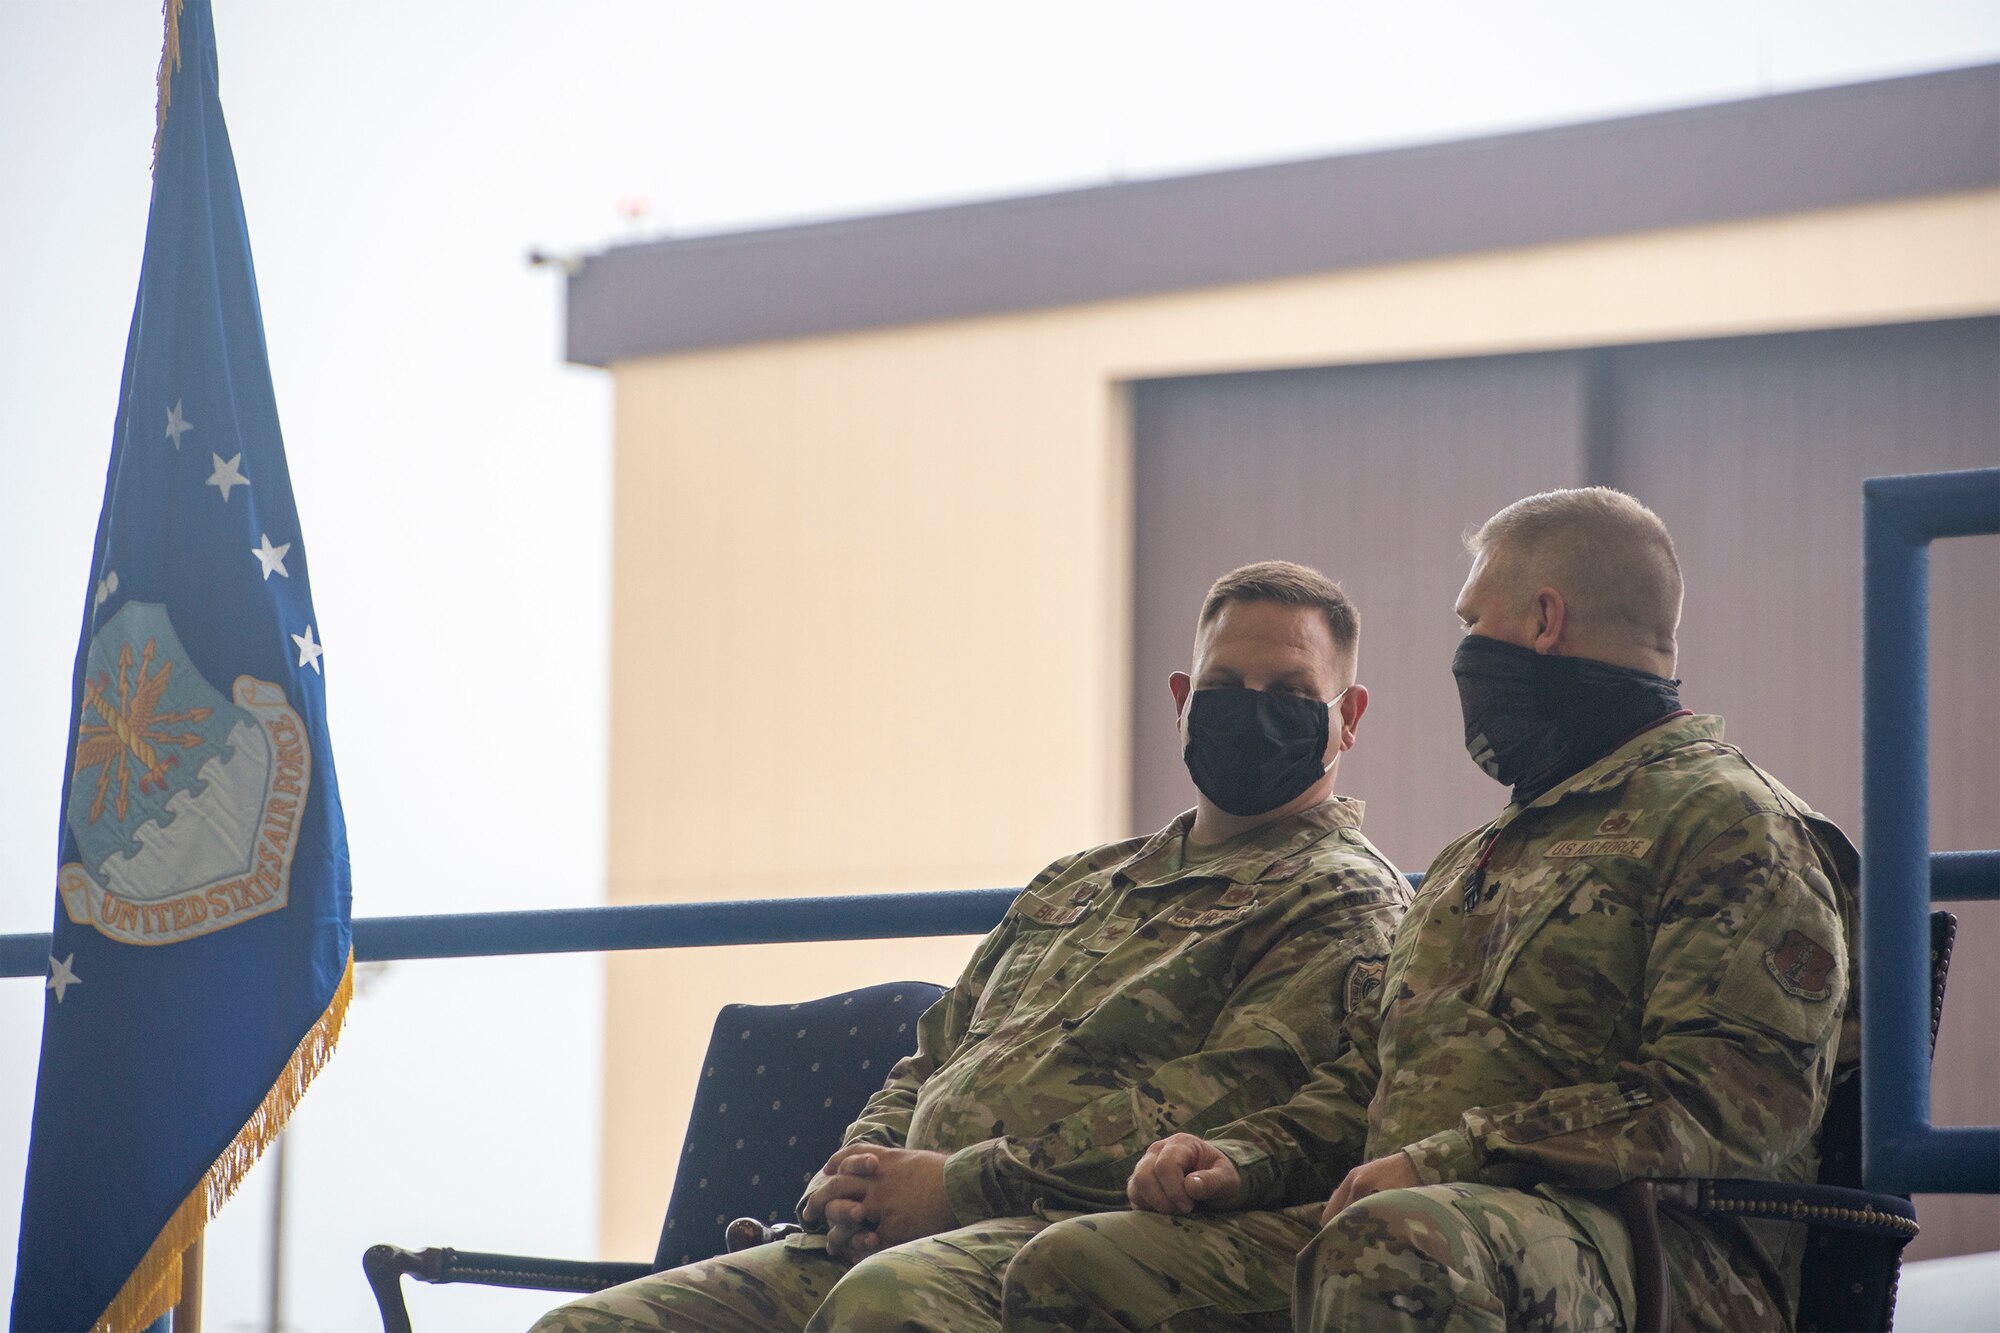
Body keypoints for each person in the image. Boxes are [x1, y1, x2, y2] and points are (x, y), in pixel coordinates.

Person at [1007, 487, 1857, 1332]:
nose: (1464, 652)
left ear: (1543, 620)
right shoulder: (1478, 857)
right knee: (1076, 1263)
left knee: (1390, 1243)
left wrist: (1446, 1157)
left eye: (1470, 619)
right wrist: (1237, 1159)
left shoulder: (1729, 823)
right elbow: (1368, 1083)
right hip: (1419, 1228)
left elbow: (1724, 1106)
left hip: (1651, 1255)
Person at [530, 560, 1411, 1332]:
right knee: (584, 1325)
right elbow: (937, 1051)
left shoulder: (1338, 896)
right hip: (893, 1227)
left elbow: (1211, 1117)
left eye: (1290, 696)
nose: (1251, 715)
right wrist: (858, 1175)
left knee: (887, 1307)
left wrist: (954, 1185)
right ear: (1183, 701)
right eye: (1225, 691)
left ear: (1348, 716)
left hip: (1063, 1239)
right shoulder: (1077, 880)